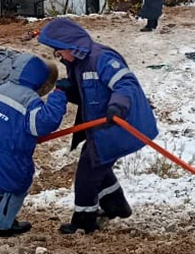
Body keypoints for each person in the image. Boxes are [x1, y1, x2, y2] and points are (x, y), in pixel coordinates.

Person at [37, 18, 159, 235]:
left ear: (70, 46)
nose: (59, 56)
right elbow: (89, 93)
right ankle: (117, 206)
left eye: (59, 51)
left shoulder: (101, 58)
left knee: (87, 172)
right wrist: (69, 91)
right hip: (101, 127)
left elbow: (125, 84)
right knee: (96, 162)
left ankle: (84, 220)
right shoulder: (77, 64)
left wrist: (117, 106)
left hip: (120, 125)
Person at [0, 54, 68, 237]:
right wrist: (59, 95)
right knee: (17, 184)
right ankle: (5, 224)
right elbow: (43, 124)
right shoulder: (29, 99)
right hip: (7, 160)